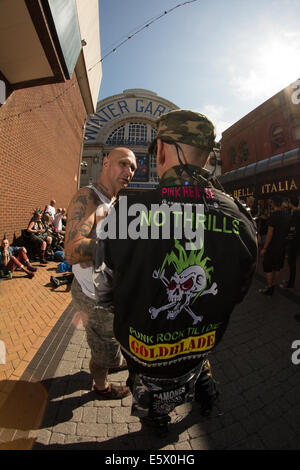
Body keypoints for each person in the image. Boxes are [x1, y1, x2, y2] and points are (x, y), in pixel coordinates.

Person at [93, 110, 258, 435]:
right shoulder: (239, 218)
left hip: (143, 353)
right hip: (200, 345)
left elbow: (103, 286)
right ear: (209, 157)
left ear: (161, 151)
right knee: (200, 372)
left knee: (151, 402)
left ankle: (156, 421)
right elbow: (239, 291)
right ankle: (205, 397)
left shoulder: (125, 212)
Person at [65, 147, 137, 400]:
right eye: (123, 164)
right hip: (95, 299)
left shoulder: (113, 201)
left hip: (110, 295)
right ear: (105, 163)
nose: (129, 172)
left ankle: (111, 358)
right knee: (102, 348)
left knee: (112, 338)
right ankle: (100, 385)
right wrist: (123, 246)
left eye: (133, 168)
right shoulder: (89, 197)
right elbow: (72, 251)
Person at [259, 195, 290, 295]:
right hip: (282, 245)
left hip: (272, 246)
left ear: (273, 203)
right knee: (277, 267)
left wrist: (264, 248)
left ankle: (269, 287)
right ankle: (273, 285)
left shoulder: (273, 215)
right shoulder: (286, 215)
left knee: (268, 266)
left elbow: (270, 234)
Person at [280, 196, 300, 289]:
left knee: (291, 263)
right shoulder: (297, 212)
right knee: (292, 262)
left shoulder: (295, 213)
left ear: (291, 203)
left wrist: (287, 239)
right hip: (296, 240)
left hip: (294, 241)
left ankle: (290, 283)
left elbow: (293, 228)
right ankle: (290, 281)